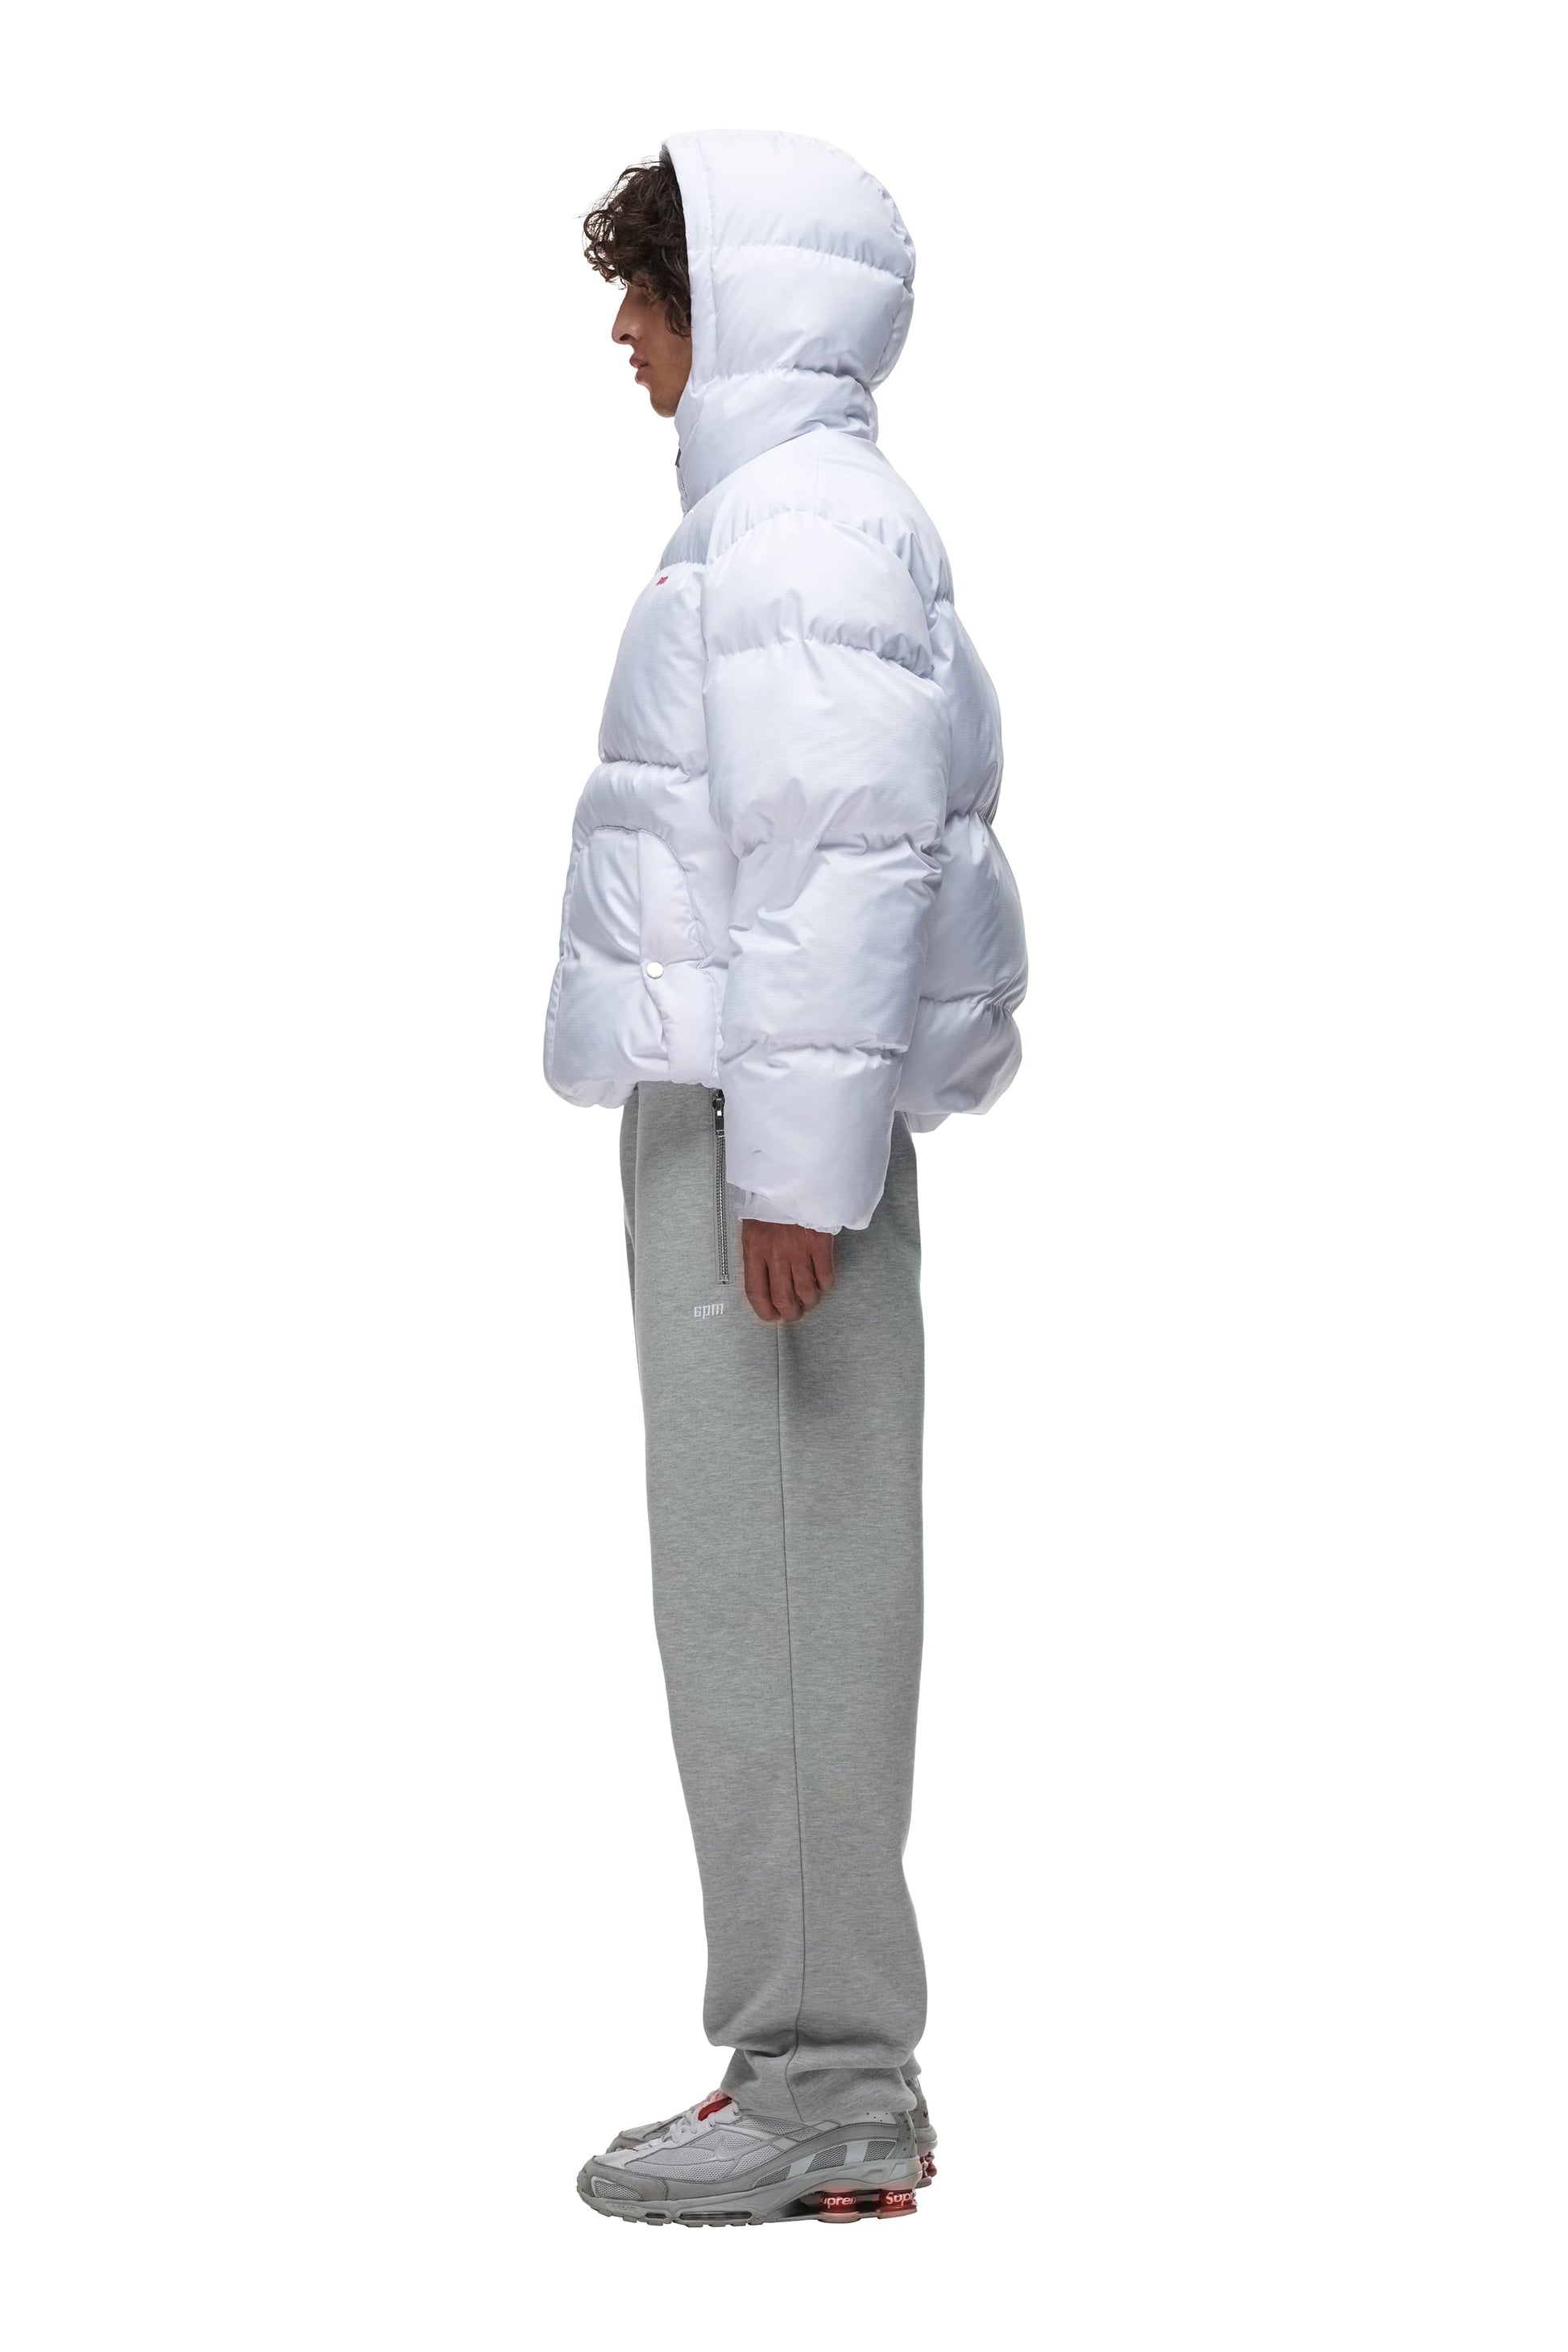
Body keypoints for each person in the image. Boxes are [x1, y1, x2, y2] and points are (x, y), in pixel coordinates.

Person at [544, 130, 1027, 2226]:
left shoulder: (800, 528)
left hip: (766, 1127)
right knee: (765, 1583)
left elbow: (840, 844)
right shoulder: (796, 515)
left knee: (778, 1594)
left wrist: (794, 1176)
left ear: (728, 304)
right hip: (765, 1108)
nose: (620, 333)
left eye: (643, 291)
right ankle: (813, 2060)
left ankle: (827, 2076)